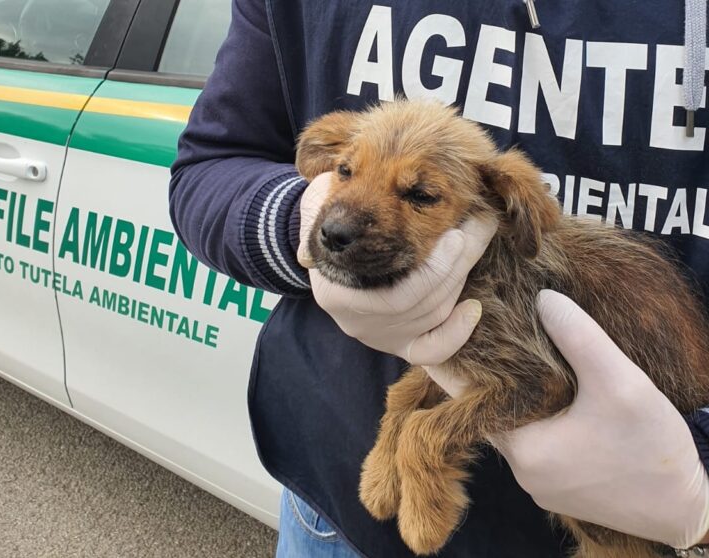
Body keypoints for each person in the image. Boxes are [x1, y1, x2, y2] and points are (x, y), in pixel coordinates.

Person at [169, 1, 709, 556]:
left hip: (638, 532)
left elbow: (528, 379)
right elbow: (212, 161)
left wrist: (703, 495)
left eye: (420, 195)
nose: (343, 219)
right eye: (347, 171)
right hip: (335, 514)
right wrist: (296, 216)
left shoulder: (518, 237)